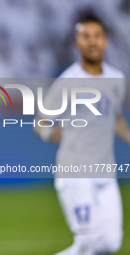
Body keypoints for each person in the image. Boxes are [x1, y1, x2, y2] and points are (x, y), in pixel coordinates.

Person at [35, 14, 130, 255]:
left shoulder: (116, 79)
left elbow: (114, 117)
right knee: (87, 240)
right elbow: (40, 123)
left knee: (110, 243)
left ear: (106, 40)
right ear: (77, 43)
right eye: (85, 37)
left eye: (97, 36)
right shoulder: (68, 82)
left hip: (106, 174)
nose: (92, 42)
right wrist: (55, 134)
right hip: (74, 171)